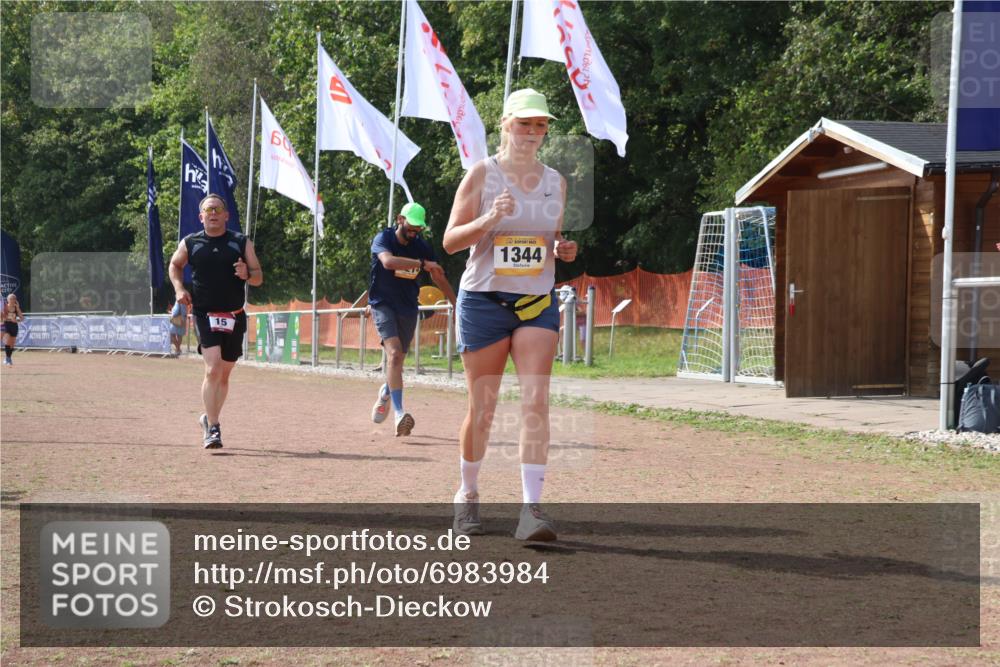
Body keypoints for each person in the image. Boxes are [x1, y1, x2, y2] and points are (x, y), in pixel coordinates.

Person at [443, 89, 578, 541]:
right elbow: (450, 242)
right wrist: (487, 221)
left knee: (536, 404)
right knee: (483, 409)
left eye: (541, 125)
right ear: (505, 124)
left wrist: (564, 250)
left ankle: (531, 511)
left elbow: (550, 241)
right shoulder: (481, 175)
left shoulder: (555, 180)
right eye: (525, 124)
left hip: (536, 301)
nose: (534, 132)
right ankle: (467, 496)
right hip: (484, 301)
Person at [168, 194, 262, 449]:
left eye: (217, 209)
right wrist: (179, 289)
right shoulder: (191, 242)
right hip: (204, 314)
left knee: (224, 374)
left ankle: (207, 418)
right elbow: (175, 265)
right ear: (201, 217)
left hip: (234, 315)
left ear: (225, 215)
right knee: (213, 369)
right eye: (207, 210)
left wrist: (247, 275)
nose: (212, 213)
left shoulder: (241, 242)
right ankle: (214, 427)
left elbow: (258, 276)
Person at [368, 202, 456, 437]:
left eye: (419, 227)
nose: (415, 231)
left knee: (397, 363)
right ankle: (399, 414)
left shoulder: (422, 247)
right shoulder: (383, 238)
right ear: (400, 219)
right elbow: (388, 262)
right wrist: (421, 264)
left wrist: (457, 303)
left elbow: (437, 274)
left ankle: (386, 393)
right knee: (395, 355)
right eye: (412, 225)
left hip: (408, 307)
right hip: (383, 304)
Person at [3, 293, 23, 366]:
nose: (12, 300)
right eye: (10, 299)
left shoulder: (16, 308)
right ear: (8, 300)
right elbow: (2, 317)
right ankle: (8, 359)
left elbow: (22, 318)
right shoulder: (5, 307)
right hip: (6, 325)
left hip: (14, 326)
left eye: (14, 299)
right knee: (7, 341)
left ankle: (8, 358)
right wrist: (9, 319)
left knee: (12, 343)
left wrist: (16, 320)